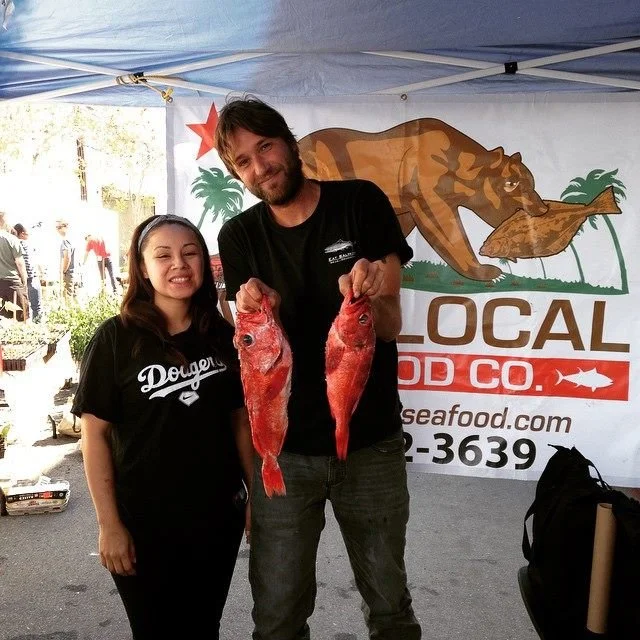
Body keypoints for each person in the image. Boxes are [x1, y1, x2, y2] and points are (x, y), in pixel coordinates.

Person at [216, 96, 422, 640]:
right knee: (277, 617)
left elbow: (388, 325)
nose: (260, 166)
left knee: (390, 607)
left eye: (266, 147)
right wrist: (250, 303)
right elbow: (247, 340)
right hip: (285, 456)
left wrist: (372, 290)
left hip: (369, 444)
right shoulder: (238, 236)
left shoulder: (360, 203)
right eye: (243, 161)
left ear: (288, 142)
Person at [71, 214, 254, 639]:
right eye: (164, 255)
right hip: (143, 523)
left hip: (215, 518)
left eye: (190, 254)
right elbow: (94, 435)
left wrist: (254, 497)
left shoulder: (221, 336)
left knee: (202, 627)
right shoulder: (116, 338)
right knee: (155, 631)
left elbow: (239, 422)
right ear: (141, 267)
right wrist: (109, 524)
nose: (180, 265)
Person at [0, 211, 29, 322]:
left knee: (3, 321)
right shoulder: (11, 239)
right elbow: (20, 263)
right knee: (21, 318)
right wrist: (25, 282)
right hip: (13, 284)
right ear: (4, 220)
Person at [13, 223, 43, 321]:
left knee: (24, 308)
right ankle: (38, 327)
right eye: (27, 233)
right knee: (37, 307)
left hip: (21, 280)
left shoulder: (13, 244)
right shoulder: (24, 244)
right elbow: (29, 264)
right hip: (31, 278)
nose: (29, 235)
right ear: (22, 233)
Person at [55, 219, 78, 304]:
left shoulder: (65, 240)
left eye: (59, 227)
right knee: (74, 298)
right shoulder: (72, 239)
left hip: (68, 273)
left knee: (67, 299)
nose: (57, 230)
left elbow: (67, 257)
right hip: (74, 273)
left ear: (66, 227)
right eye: (56, 227)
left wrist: (63, 271)